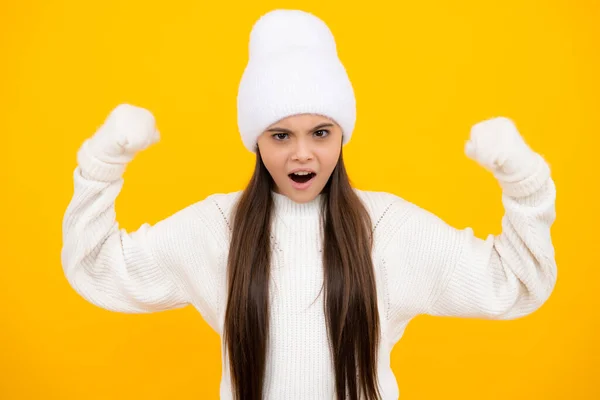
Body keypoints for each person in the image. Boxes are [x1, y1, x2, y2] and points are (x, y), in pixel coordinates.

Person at [60, 8, 557, 400]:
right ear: (257, 141)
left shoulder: (389, 229)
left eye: (320, 133)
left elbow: (514, 284)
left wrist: (523, 180)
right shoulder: (217, 230)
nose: (302, 153)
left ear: (343, 135)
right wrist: (104, 162)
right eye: (281, 135)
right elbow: (98, 268)